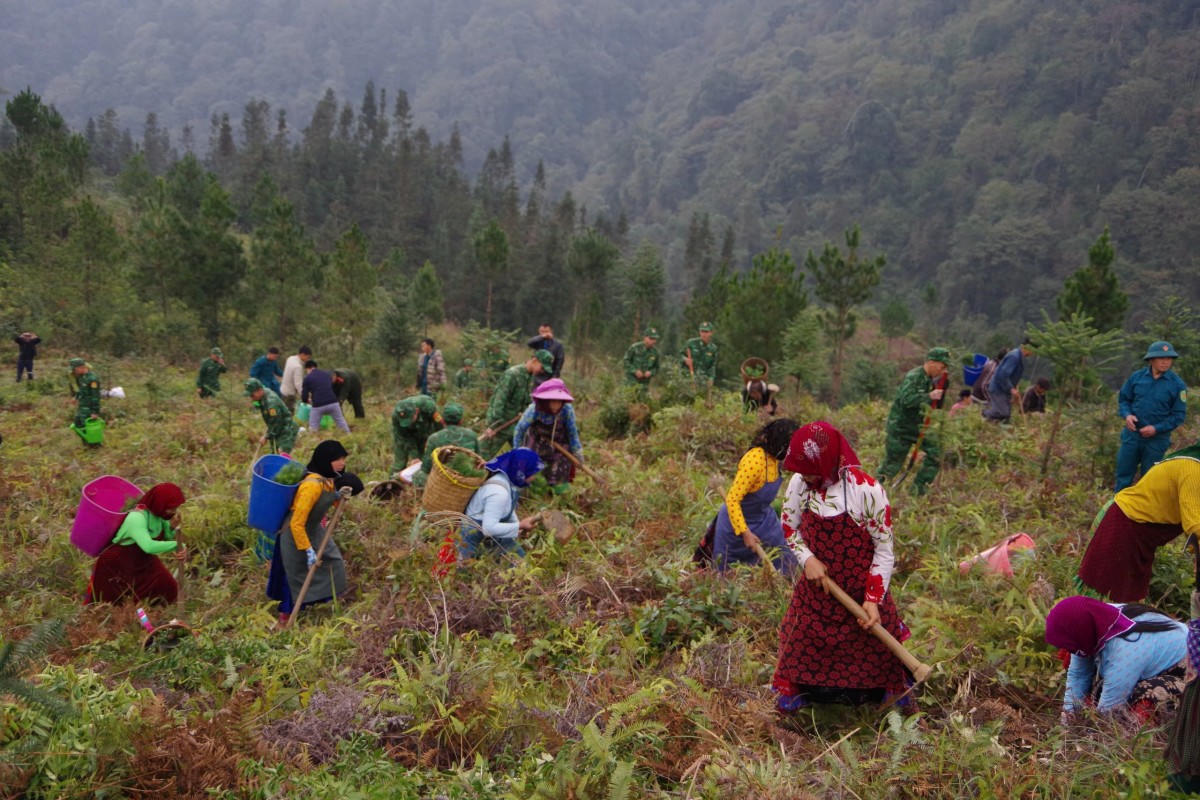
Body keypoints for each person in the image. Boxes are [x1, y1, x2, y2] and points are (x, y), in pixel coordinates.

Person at [773, 421, 913, 711]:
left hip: (861, 591)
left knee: (878, 655)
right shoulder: (800, 484)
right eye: (800, 471)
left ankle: (882, 709)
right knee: (800, 646)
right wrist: (807, 559)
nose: (804, 476)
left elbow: (884, 551)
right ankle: (804, 705)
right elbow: (789, 528)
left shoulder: (867, 491)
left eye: (810, 470)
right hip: (817, 593)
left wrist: (873, 600)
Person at [1077, 444, 1200, 602]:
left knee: (1129, 597)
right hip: (1126, 524)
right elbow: (1195, 526)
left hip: (1142, 533)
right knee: (1105, 595)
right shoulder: (1193, 470)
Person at [1045, 596, 1186, 721]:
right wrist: (1067, 721)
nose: (1070, 650)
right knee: (1095, 691)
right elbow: (1078, 675)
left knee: (1145, 697)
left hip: (1188, 668)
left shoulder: (1126, 649)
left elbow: (1108, 711)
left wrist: (1089, 735)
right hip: (1140, 662)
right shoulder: (1095, 619)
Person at [267, 441, 352, 624]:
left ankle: (323, 600)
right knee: (295, 573)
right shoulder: (311, 486)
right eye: (338, 459)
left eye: (343, 458)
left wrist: (338, 497)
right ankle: (287, 615)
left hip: (314, 530)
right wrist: (307, 549)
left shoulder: (328, 480)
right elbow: (297, 522)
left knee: (334, 562)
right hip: (294, 534)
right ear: (326, 460)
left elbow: (325, 502)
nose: (342, 463)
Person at [711, 418, 801, 575]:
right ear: (780, 443)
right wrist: (745, 533)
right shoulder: (755, 460)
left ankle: (786, 590)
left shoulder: (776, 461)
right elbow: (732, 499)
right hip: (736, 524)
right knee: (729, 572)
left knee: (786, 559)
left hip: (764, 520)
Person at [85, 483, 186, 606]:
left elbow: (165, 537)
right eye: (172, 508)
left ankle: (156, 616)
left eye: (175, 508)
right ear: (160, 504)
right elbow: (148, 546)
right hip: (117, 564)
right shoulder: (136, 518)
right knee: (112, 604)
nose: (174, 512)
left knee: (167, 586)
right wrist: (177, 544)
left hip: (142, 560)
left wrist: (172, 529)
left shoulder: (159, 516)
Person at [1115, 341, 1187, 491]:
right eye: (1161, 358)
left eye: (1169, 358)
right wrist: (1127, 415)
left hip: (1157, 441)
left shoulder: (1177, 385)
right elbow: (1124, 399)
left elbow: (1178, 415)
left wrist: (1156, 428)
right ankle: (1118, 511)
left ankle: (1144, 514)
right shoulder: (1137, 378)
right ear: (1151, 359)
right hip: (1132, 436)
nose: (1165, 362)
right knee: (1123, 477)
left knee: (1150, 481)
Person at [876, 347, 950, 495]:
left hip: (917, 428)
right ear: (931, 362)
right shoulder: (914, 377)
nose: (943, 371)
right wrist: (929, 396)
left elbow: (934, 407)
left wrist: (942, 391)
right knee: (892, 466)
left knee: (936, 453)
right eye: (942, 367)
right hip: (900, 428)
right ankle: (871, 494)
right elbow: (906, 400)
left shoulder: (930, 380)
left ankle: (917, 492)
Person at [457, 448, 545, 562]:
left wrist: (515, 526)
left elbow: (507, 509)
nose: (534, 477)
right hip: (472, 534)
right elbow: (488, 529)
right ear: (522, 470)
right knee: (464, 571)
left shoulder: (508, 482)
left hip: (489, 530)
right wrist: (520, 525)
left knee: (520, 562)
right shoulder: (499, 492)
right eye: (533, 472)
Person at [513, 378, 583, 495]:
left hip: (560, 443)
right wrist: (518, 451)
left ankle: (558, 497)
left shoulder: (567, 410)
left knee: (560, 471)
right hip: (537, 441)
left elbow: (572, 432)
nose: (556, 405)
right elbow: (519, 430)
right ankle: (529, 493)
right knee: (529, 469)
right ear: (546, 400)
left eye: (559, 401)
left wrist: (577, 451)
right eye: (553, 401)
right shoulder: (534, 409)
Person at [479, 350, 552, 459]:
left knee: (524, 455)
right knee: (481, 457)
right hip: (500, 424)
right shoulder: (512, 374)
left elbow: (525, 400)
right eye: (541, 367)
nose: (541, 371)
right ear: (535, 361)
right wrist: (492, 425)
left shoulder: (529, 377)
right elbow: (499, 400)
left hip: (515, 425)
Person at [413, 402, 480, 487]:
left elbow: (426, 467)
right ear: (461, 420)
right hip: (465, 478)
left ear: (443, 420)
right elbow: (478, 459)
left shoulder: (434, 438)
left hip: (442, 479)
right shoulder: (472, 435)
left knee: (418, 476)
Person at [983, 340, 1034, 422]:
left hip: (1004, 390)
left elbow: (1011, 374)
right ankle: (984, 415)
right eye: (1032, 351)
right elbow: (1002, 375)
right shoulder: (1014, 357)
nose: (1032, 354)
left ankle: (989, 425)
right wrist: (1011, 389)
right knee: (1002, 412)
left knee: (1006, 417)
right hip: (998, 389)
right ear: (1027, 348)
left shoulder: (1018, 356)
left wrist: (1013, 387)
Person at [245, 378, 299, 456]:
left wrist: (266, 436)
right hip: (276, 429)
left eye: (252, 395)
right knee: (275, 454)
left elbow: (277, 423)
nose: (251, 398)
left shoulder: (271, 403)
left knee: (282, 453)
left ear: (259, 390)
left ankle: (290, 468)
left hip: (286, 429)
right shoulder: (263, 394)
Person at [391, 394, 443, 474]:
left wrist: (434, 441)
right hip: (406, 434)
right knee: (400, 460)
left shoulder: (428, 406)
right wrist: (414, 457)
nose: (408, 423)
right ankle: (394, 480)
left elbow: (440, 425)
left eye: (410, 419)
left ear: (417, 411)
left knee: (427, 458)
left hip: (426, 429)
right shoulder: (396, 416)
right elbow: (405, 438)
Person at [302, 360, 350, 433]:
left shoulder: (307, 378)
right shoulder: (326, 374)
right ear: (315, 367)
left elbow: (304, 396)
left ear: (307, 369)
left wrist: (306, 400)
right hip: (333, 403)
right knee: (341, 422)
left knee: (313, 426)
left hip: (318, 406)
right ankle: (349, 436)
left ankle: (313, 441)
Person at [681, 322, 718, 386]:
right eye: (702, 331)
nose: (704, 334)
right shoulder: (691, 343)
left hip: (703, 381)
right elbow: (680, 355)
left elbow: (712, 366)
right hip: (688, 379)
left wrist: (711, 378)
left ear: (711, 333)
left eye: (706, 332)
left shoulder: (713, 348)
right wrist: (685, 359)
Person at [69, 357, 101, 430]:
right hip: (82, 408)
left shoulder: (92, 379)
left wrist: (95, 412)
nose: (74, 371)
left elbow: (95, 396)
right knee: (78, 426)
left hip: (89, 409)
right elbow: (81, 391)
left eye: (75, 369)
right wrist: (76, 397)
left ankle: (92, 441)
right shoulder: (82, 377)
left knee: (90, 431)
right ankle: (85, 441)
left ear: (81, 367)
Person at [280, 345, 312, 413]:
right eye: (308, 357)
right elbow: (298, 384)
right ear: (303, 355)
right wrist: (305, 397)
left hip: (283, 391)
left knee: (283, 413)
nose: (308, 359)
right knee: (289, 414)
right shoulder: (298, 367)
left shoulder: (290, 358)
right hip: (289, 394)